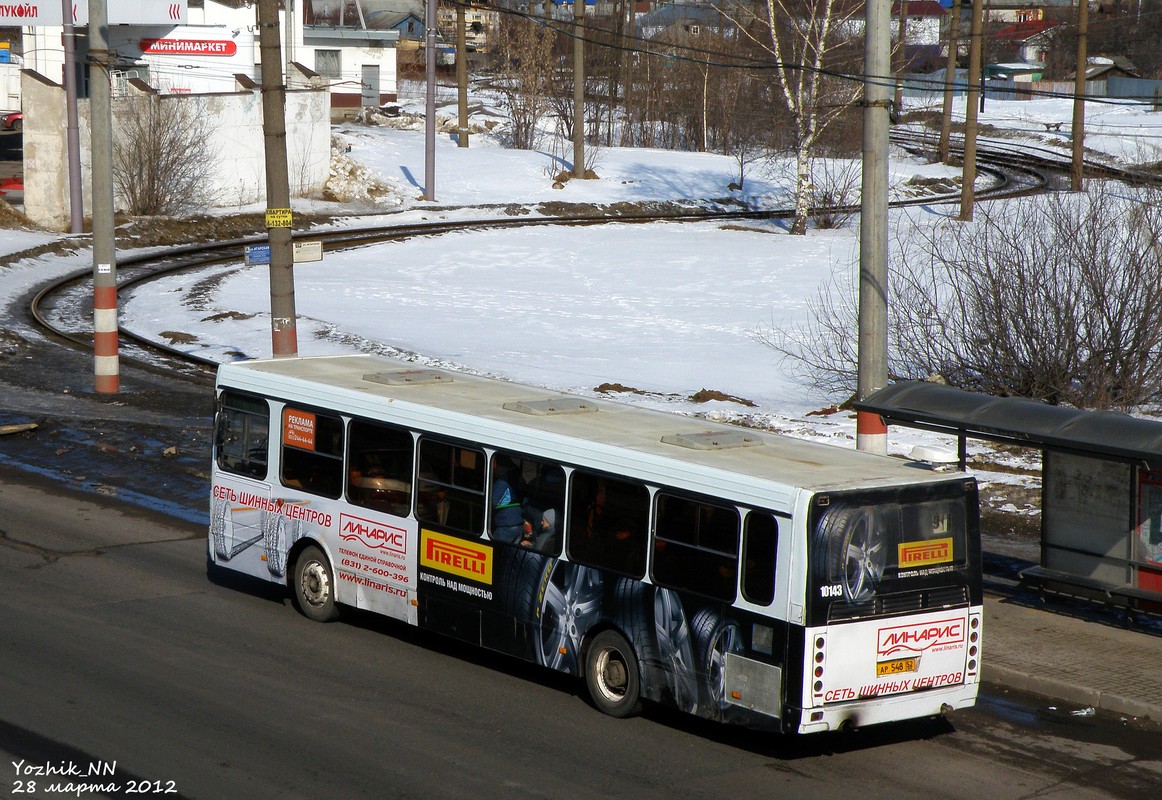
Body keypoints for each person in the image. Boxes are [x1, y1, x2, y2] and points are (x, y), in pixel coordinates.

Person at [491, 456, 525, 543]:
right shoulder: (518, 477)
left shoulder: (502, 483)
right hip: (518, 523)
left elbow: (493, 502)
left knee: (498, 552)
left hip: (505, 524)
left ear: (500, 466)